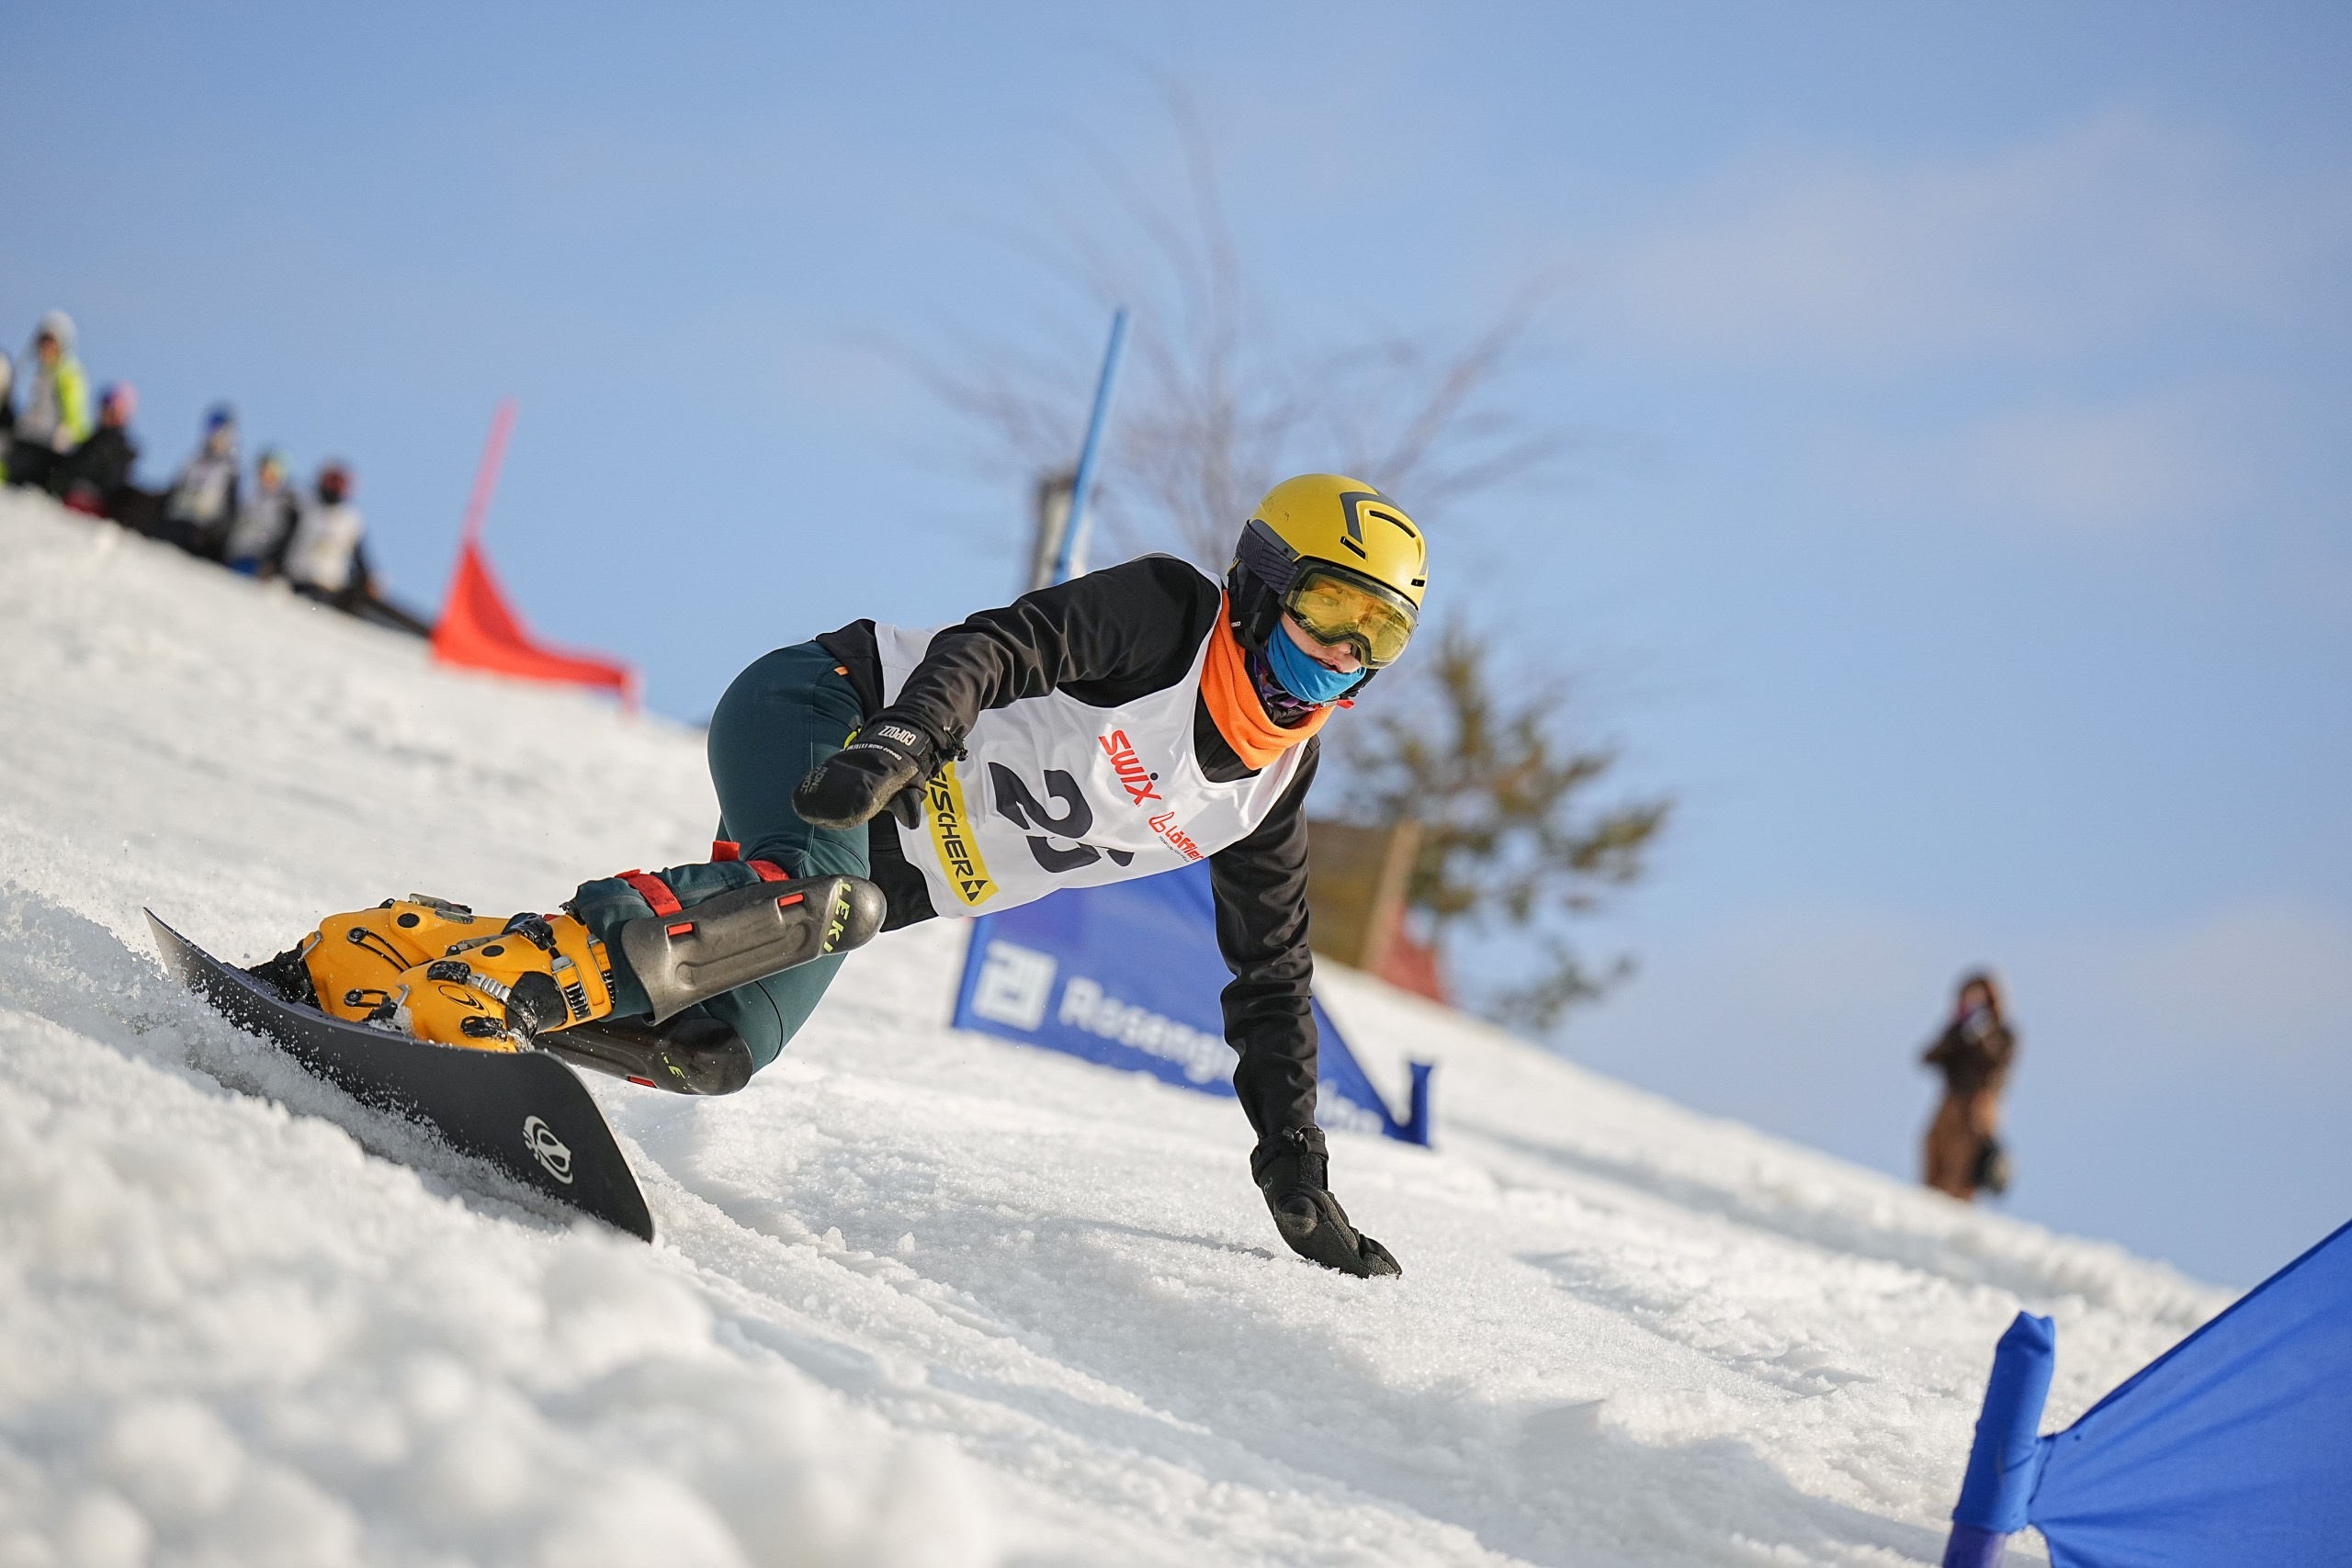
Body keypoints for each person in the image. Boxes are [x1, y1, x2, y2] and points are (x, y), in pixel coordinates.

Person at [256, 474, 1428, 1277]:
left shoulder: (1269, 791)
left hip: (873, 872)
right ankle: (481, 999)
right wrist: (908, 739)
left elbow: (1270, 982)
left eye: (1377, 635)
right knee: (811, 908)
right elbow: (1000, 647)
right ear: (1266, 582)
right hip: (826, 717)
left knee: (717, 1047)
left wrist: (1295, 1169)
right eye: (1328, 609)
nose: (1340, 654)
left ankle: (394, 948)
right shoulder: (1172, 618)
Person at [1921, 970, 2018, 1201]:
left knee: (1962, 1162)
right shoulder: (1957, 1032)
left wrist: (1981, 1036)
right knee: (1935, 1150)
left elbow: (1997, 1065)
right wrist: (1959, 1034)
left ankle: (1956, 1212)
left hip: (1979, 1105)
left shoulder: (2003, 1034)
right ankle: (1930, 1204)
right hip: (1950, 1101)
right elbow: (1928, 1057)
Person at [6, 310, 92, 492]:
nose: (46, 347)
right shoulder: (42, 372)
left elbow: (76, 410)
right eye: (43, 342)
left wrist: (69, 431)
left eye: (51, 342)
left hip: (46, 445)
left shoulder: (68, 372)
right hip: (28, 436)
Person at [279, 460, 372, 609]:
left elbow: (359, 555)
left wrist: (368, 578)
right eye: (331, 482)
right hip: (296, 577)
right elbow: (285, 537)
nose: (333, 488)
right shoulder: (304, 507)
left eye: (338, 485)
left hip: (326, 585)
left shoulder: (351, 520)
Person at [49, 382, 146, 524]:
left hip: (95, 507)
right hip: (69, 497)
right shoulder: (89, 440)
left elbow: (115, 485)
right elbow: (71, 467)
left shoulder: (123, 451)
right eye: (105, 408)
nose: (107, 414)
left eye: (114, 411)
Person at [161, 403, 243, 558]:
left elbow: (230, 511)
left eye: (222, 431)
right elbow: (172, 493)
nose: (216, 435)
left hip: (200, 535)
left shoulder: (230, 470)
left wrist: (213, 536)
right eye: (213, 429)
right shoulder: (191, 462)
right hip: (175, 525)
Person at [221, 447, 296, 575]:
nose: (266, 474)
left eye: (272, 470)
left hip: (258, 561)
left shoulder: (285, 505)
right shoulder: (249, 498)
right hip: (235, 555)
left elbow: (285, 538)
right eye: (264, 469)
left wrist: (272, 561)